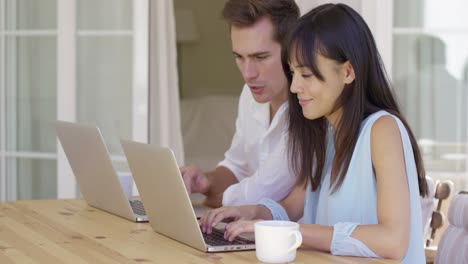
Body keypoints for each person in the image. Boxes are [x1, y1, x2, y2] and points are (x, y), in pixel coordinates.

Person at [200, 4, 428, 263]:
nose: (295, 87)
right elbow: (290, 207)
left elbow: (393, 241)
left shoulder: (382, 129)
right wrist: (249, 213)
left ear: (348, 71)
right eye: (293, 73)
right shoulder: (326, 133)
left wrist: (295, 232)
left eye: (306, 74)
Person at [180, 0, 300, 207]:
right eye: (239, 57)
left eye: (260, 57)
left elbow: (256, 195)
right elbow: (237, 167)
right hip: (249, 233)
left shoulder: (311, 109)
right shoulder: (249, 95)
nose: (248, 74)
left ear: (293, 49)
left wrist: (212, 200)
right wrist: (206, 181)